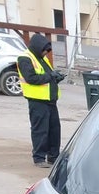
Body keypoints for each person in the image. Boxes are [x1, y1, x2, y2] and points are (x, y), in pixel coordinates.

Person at [17, 34, 65, 168]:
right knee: (40, 130)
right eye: (44, 50)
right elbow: (31, 78)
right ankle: (39, 158)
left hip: (50, 100)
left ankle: (53, 156)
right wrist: (50, 76)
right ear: (38, 47)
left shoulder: (41, 58)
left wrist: (57, 77)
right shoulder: (25, 58)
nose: (46, 53)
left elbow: (48, 75)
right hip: (37, 101)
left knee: (54, 130)